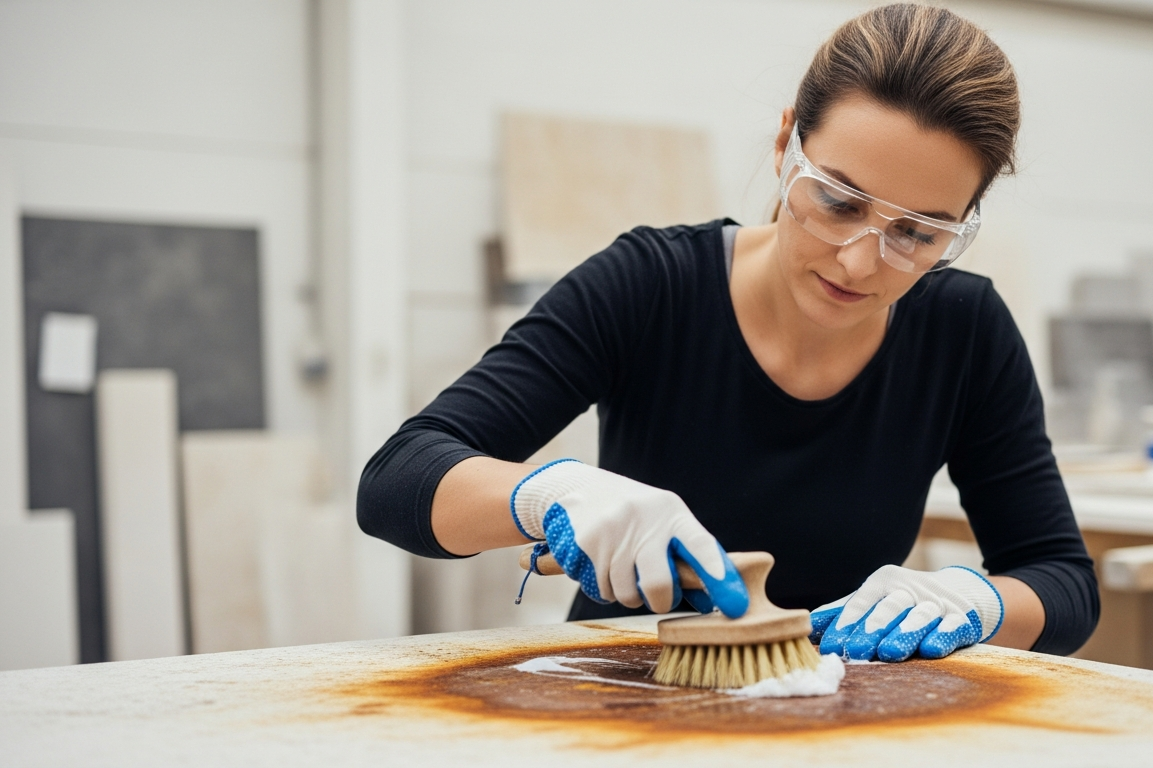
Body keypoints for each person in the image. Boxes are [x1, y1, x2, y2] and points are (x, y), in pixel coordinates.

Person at [359, 3, 1098, 662]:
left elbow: (1062, 582)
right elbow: (396, 480)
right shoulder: (652, 285)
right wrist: (548, 495)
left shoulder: (963, 331)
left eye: (917, 233)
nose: (860, 260)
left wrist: (975, 602)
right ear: (785, 146)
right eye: (838, 201)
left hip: (841, 722)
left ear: (963, 225)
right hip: (616, 711)